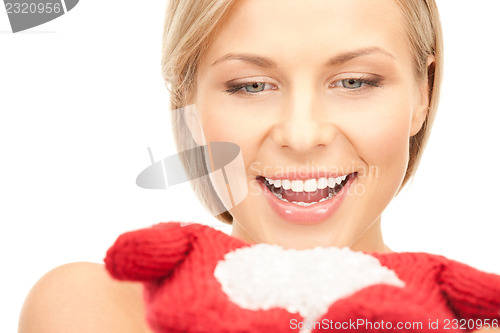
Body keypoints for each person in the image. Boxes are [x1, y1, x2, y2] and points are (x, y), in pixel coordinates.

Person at [18, 0, 500, 332]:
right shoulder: (94, 308)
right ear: (189, 102)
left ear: (424, 93)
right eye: (250, 85)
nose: (302, 134)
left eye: (354, 82)